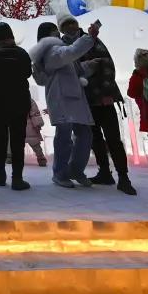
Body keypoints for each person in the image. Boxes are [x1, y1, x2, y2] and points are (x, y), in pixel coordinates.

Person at [58, 14, 135, 195]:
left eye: (72, 24)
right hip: (83, 100)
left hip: (101, 98)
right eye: (66, 26)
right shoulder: (64, 45)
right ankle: (105, 172)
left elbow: (107, 66)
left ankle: (123, 177)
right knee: (94, 138)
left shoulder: (91, 41)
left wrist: (107, 93)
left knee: (112, 138)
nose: (70, 28)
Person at [29, 20, 99, 190]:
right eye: (54, 32)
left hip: (72, 96)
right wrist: (89, 37)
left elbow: (69, 68)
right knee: (66, 136)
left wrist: (88, 66)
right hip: (61, 98)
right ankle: (60, 173)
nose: (58, 34)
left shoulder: (56, 52)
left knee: (84, 134)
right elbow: (70, 53)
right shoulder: (50, 51)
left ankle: (75, 170)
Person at [0, 22, 33, 190]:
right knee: (18, 139)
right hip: (20, 101)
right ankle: (17, 178)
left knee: (0, 137)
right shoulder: (21, 53)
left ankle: (0, 174)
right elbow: (28, 73)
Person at [25, 98, 47, 168]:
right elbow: (35, 113)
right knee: (35, 144)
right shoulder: (28, 99)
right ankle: (41, 158)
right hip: (30, 125)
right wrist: (38, 124)